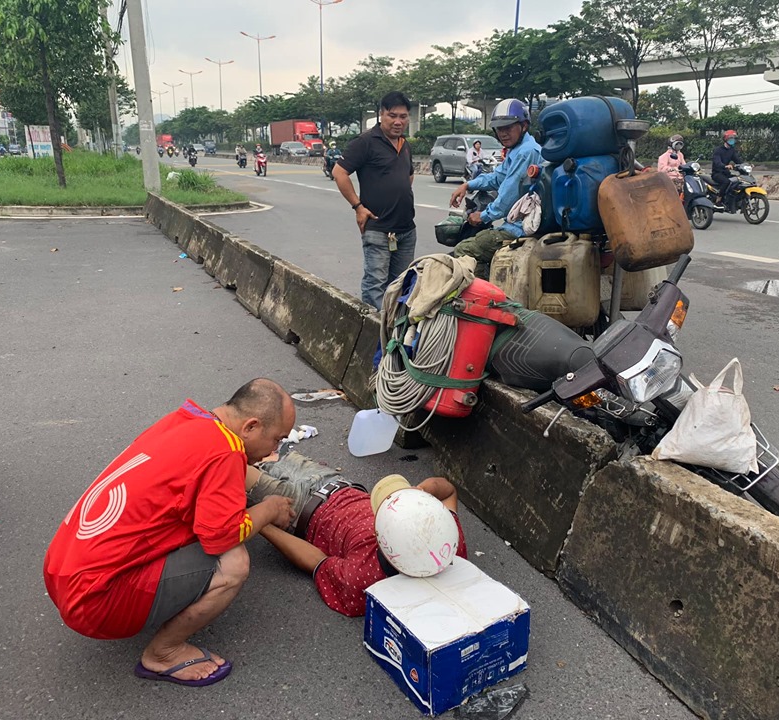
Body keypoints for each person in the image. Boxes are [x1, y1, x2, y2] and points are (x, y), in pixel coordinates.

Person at [43, 379, 297, 687]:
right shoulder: (226, 451)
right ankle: (163, 653)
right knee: (234, 562)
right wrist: (269, 509)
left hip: (60, 569)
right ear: (251, 426)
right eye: (276, 439)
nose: (275, 450)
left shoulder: (187, 419)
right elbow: (222, 535)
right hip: (94, 603)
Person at [248, 453, 468, 616]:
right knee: (264, 449)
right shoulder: (450, 544)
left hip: (298, 508)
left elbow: (316, 561)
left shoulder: (364, 578)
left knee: (234, 465)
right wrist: (421, 491)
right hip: (333, 482)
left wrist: (263, 524)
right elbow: (447, 490)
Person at [334, 90, 417, 309]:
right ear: (381, 115)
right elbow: (339, 173)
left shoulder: (404, 144)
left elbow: (408, 175)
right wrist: (358, 207)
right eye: (392, 115)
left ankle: (392, 336)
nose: (398, 121)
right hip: (379, 229)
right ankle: (373, 335)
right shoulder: (366, 142)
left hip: (406, 230)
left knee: (401, 285)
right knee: (375, 286)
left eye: (403, 116)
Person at [449, 98, 544, 279]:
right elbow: (497, 177)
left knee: (464, 249)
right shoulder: (516, 150)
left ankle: (484, 301)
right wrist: (468, 184)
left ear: (523, 125)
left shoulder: (527, 152)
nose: (503, 133)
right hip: (518, 223)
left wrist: (483, 216)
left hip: (520, 229)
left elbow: (508, 197)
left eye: (508, 128)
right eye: (499, 129)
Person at [712, 130, 744, 209]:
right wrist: (725, 166)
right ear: (725, 139)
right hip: (717, 173)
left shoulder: (731, 150)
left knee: (737, 180)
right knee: (726, 182)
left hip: (726, 173)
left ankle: (731, 200)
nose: (732, 140)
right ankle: (718, 200)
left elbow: (738, 160)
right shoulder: (718, 150)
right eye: (730, 138)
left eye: (733, 138)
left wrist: (745, 165)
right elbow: (717, 162)